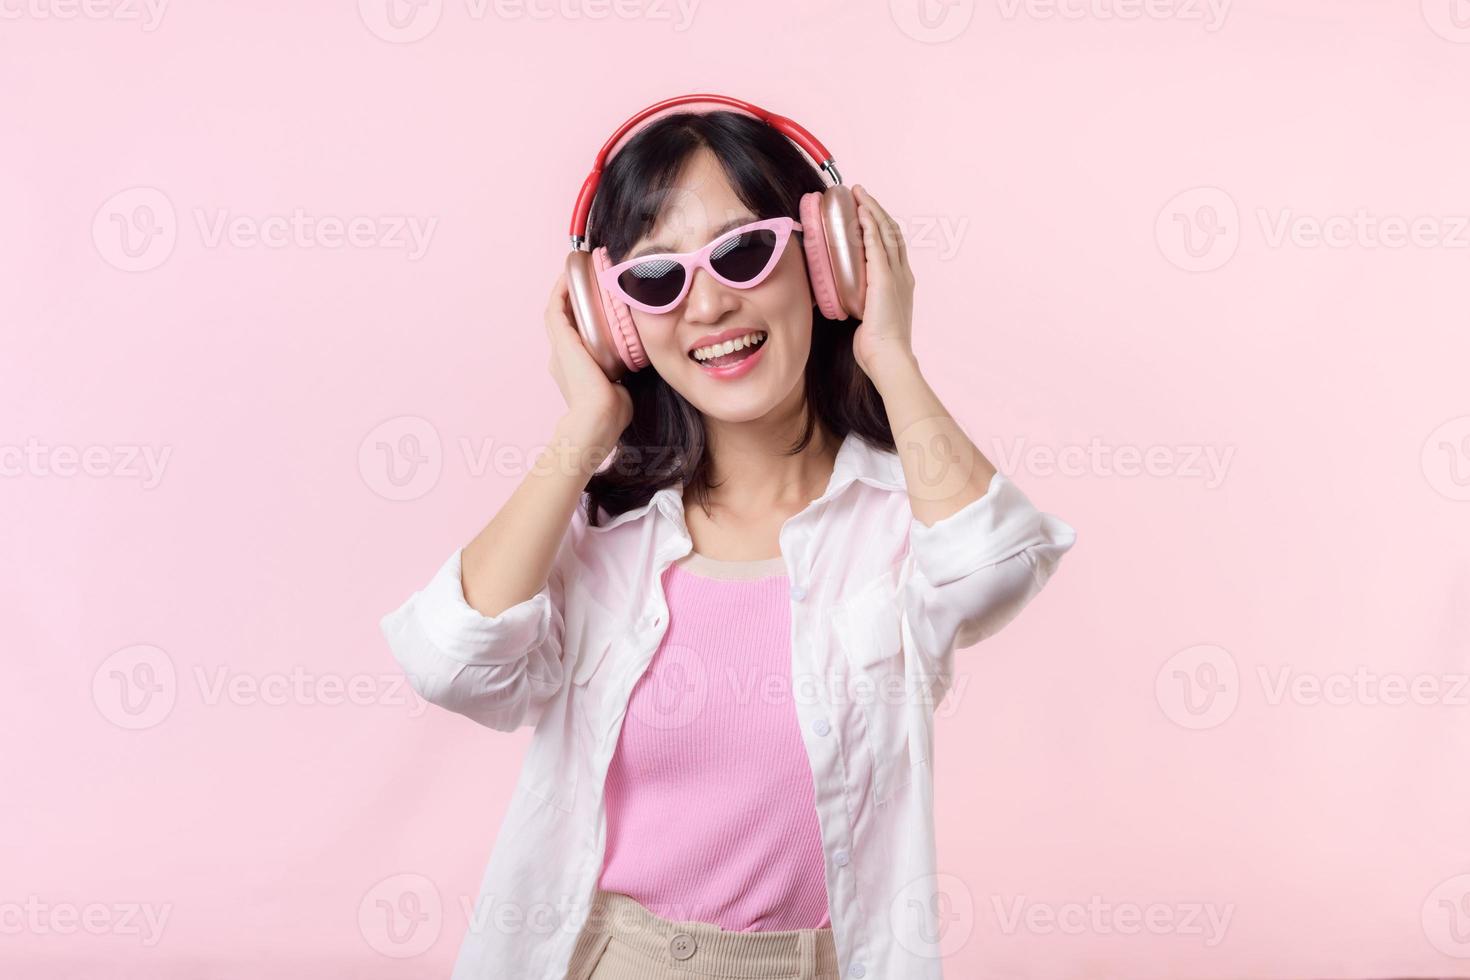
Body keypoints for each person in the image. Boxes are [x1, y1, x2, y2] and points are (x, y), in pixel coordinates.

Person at [379, 98, 1077, 980]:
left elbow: (994, 571)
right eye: (655, 280)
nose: (707, 303)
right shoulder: (606, 538)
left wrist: (890, 351)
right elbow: (451, 661)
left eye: (745, 252)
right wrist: (587, 423)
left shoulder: (902, 516)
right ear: (613, 320)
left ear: (828, 261)